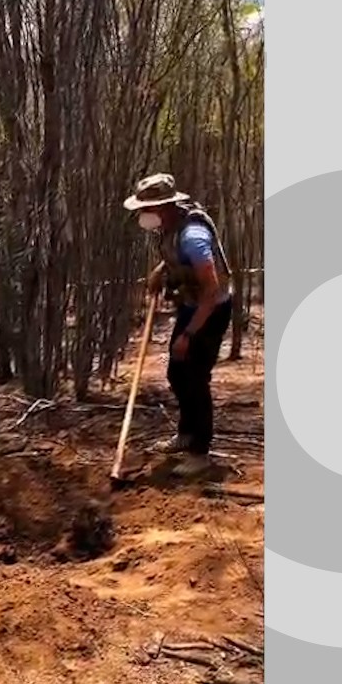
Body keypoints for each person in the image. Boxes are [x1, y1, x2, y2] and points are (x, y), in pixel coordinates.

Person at [124, 173, 235, 477]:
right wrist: (160, 271)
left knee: (196, 378)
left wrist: (189, 333)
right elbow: (177, 258)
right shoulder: (174, 226)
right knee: (177, 372)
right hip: (191, 305)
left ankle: (200, 452)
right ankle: (186, 434)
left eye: (146, 209)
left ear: (163, 207)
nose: (142, 215)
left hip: (210, 310)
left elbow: (211, 290)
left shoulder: (193, 237)